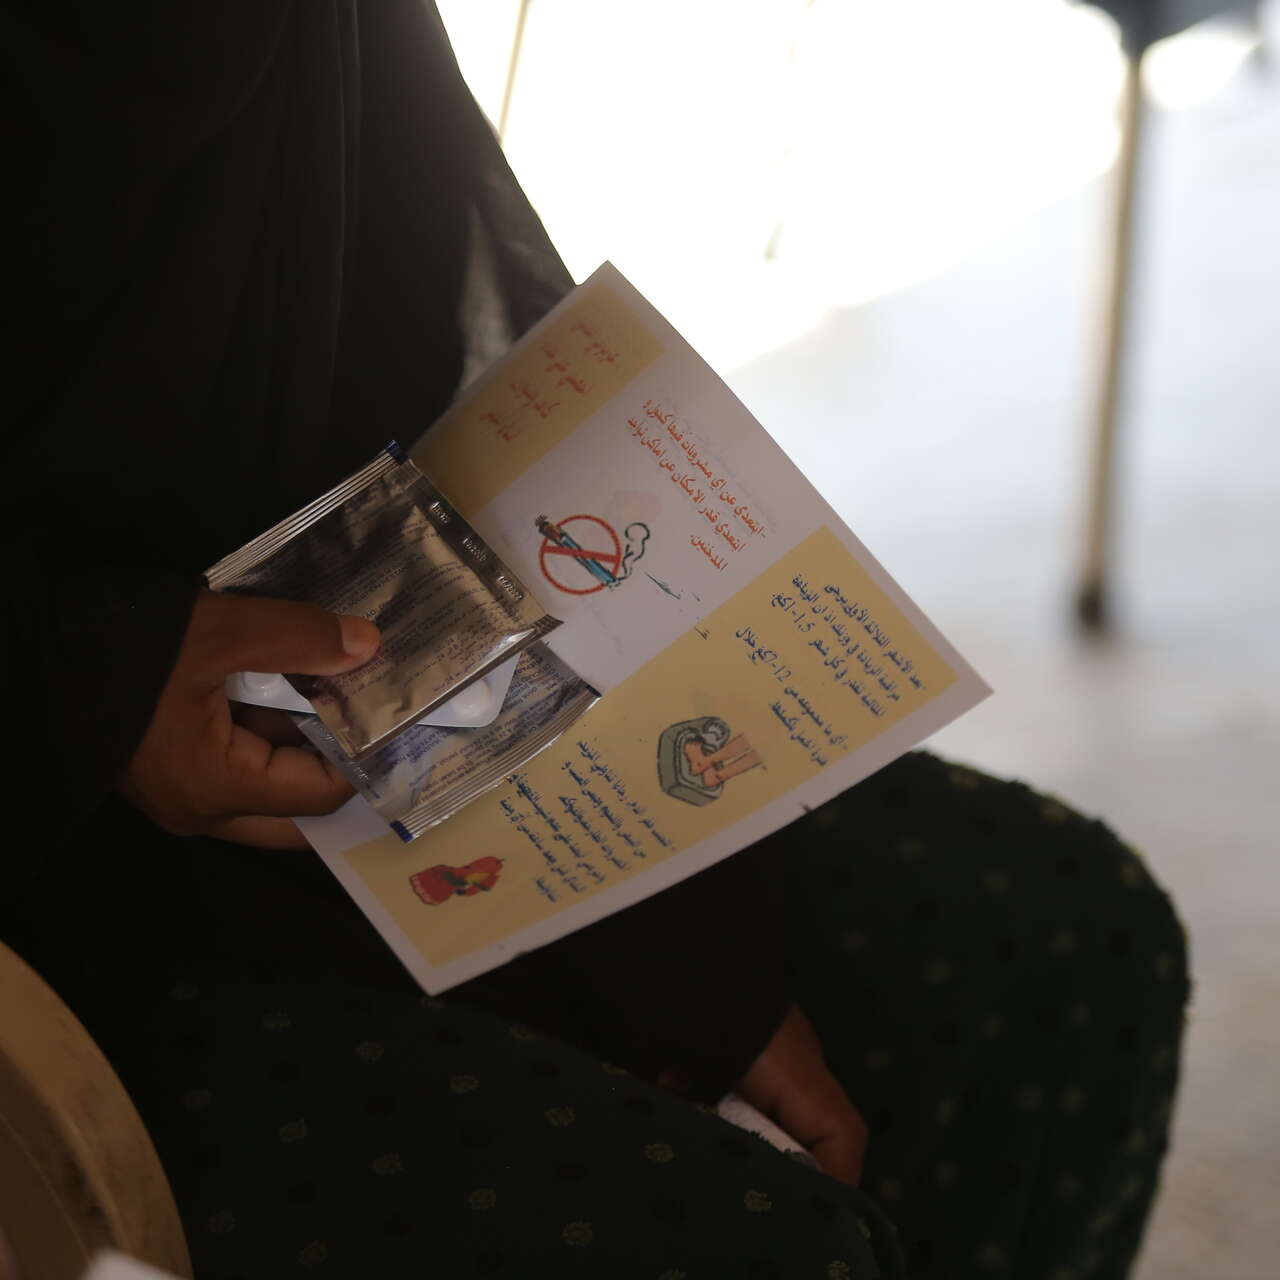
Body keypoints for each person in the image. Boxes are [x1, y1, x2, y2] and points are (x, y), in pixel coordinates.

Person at [1, 3, 1188, 1276]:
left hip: (316, 728)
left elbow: (403, 368)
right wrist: (86, 683)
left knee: (1053, 944)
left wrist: (659, 917)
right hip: (51, 870)